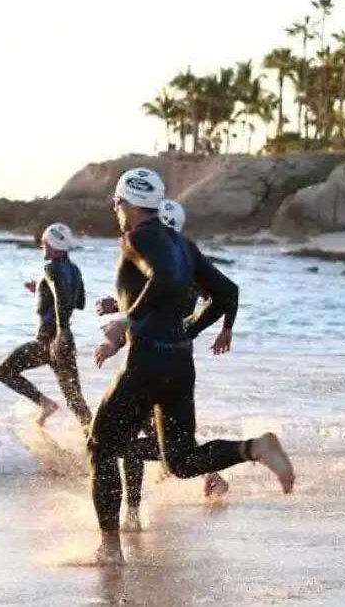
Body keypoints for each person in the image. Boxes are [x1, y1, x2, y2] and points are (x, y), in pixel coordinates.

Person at [88, 169, 294, 564]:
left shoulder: (136, 238)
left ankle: (110, 548)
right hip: (180, 363)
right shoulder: (183, 245)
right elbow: (226, 293)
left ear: (127, 203)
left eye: (116, 203)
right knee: (180, 461)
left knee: (101, 445)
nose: (116, 210)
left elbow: (165, 279)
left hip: (146, 362)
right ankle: (254, 447)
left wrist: (128, 320)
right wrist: (189, 331)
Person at [95, 199, 232, 531]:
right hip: (166, 361)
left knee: (135, 441)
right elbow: (157, 303)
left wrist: (118, 334)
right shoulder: (178, 260)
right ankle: (208, 475)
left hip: (153, 363)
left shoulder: (173, 265)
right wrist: (120, 310)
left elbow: (160, 309)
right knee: (157, 439)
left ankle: (132, 513)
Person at [0, 223, 91, 427]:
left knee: (5, 372)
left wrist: (58, 335)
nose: (42, 246)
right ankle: (95, 438)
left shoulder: (51, 268)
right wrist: (42, 291)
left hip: (47, 342)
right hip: (65, 343)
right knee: (75, 401)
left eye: (43, 243)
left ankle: (45, 404)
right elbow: (80, 302)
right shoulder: (74, 270)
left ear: (50, 243)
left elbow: (63, 300)